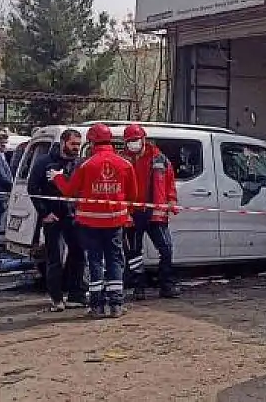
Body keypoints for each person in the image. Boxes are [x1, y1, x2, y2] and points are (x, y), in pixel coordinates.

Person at [48, 123, 136, 319]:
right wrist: (125, 212)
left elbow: (69, 191)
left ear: (91, 141)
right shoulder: (125, 164)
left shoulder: (86, 165)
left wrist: (58, 178)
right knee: (115, 261)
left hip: (90, 224)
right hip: (115, 222)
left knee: (95, 261)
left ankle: (96, 306)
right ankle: (116, 305)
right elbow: (133, 194)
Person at [28, 129, 87, 311]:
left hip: (73, 216)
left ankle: (75, 295)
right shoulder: (44, 162)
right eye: (73, 144)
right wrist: (44, 213)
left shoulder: (79, 163)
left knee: (78, 255)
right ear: (63, 143)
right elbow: (32, 188)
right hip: (52, 217)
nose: (76, 148)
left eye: (78, 145)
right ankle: (56, 298)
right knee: (55, 258)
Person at [121, 124, 180, 300]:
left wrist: (171, 200)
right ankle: (138, 287)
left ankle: (166, 285)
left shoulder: (159, 158)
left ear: (143, 139)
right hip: (133, 213)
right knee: (134, 253)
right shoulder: (123, 160)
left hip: (156, 213)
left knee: (166, 249)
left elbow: (169, 182)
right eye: (129, 141)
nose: (133, 144)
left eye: (135, 140)